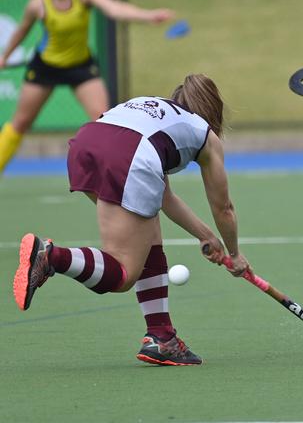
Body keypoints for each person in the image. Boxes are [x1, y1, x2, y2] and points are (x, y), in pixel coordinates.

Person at [12, 74, 252, 366]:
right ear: (214, 111)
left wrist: (205, 235)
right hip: (128, 156)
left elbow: (160, 196)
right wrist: (235, 254)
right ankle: (53, 257)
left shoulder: (154, 110)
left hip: (85, 144)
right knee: (124, 273)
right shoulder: (204, 134)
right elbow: (223, 207)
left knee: (149, 230)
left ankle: (162, 337)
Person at [0, 0, 174, 175]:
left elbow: (114, 9)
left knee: (104, 121)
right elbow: (21, 31)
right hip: (46, 67)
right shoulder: (37, 5)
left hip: (80, 65)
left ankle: (112, 174)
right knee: (20, 123)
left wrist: (148, 16)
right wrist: (4, 56)